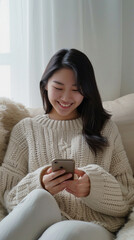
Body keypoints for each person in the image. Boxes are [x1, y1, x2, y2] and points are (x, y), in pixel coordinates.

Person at [0, 48, 134, 240]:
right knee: (40, 197)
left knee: (63, 233)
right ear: (45, 85)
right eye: (59, 87)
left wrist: (92, 188)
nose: (65, 98)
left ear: (86, 91)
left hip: (92, 225)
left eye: (76, 89)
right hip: (39, 220)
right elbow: (8, 198)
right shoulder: (25, 129)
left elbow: (128, 198)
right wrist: (40, 183)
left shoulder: (104, 128)